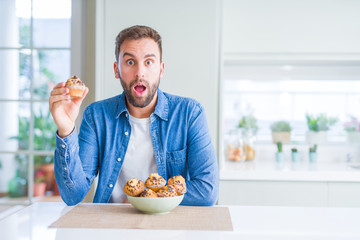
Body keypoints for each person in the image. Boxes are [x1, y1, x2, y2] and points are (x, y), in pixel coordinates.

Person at [49, 25, 219, 206]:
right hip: (111, 226)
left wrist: (143, 198)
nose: (139, 72)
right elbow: (73, 195)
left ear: (161, 69)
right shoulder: (96, 116)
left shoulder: (189, 114)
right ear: (117, 69)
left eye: (148, 62)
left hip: (167, 227)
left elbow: (207, 190)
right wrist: (66, 129)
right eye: (130, 62)